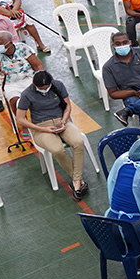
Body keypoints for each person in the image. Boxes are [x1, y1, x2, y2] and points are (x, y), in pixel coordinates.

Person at [15, 70, 89, 199]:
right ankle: (78, 180)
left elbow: (67, 106)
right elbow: (20, 119)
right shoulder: (27, 94)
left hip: (62, 121)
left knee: (78, 142)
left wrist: (64, 121)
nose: (44, 90)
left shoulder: (58, 85)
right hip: (41, 126)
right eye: (41, 88)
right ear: (34, 84)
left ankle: (76, 182)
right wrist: (43, 129)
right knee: (57, 149)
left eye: (46, 88)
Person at [0, 30, 44, 115]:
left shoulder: (22, 47)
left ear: (10, 43)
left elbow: (37, 65)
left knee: (42, 96)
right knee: (14, 100)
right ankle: (22, 123)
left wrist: (42, 79)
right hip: (10, 83)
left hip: (30, 79)